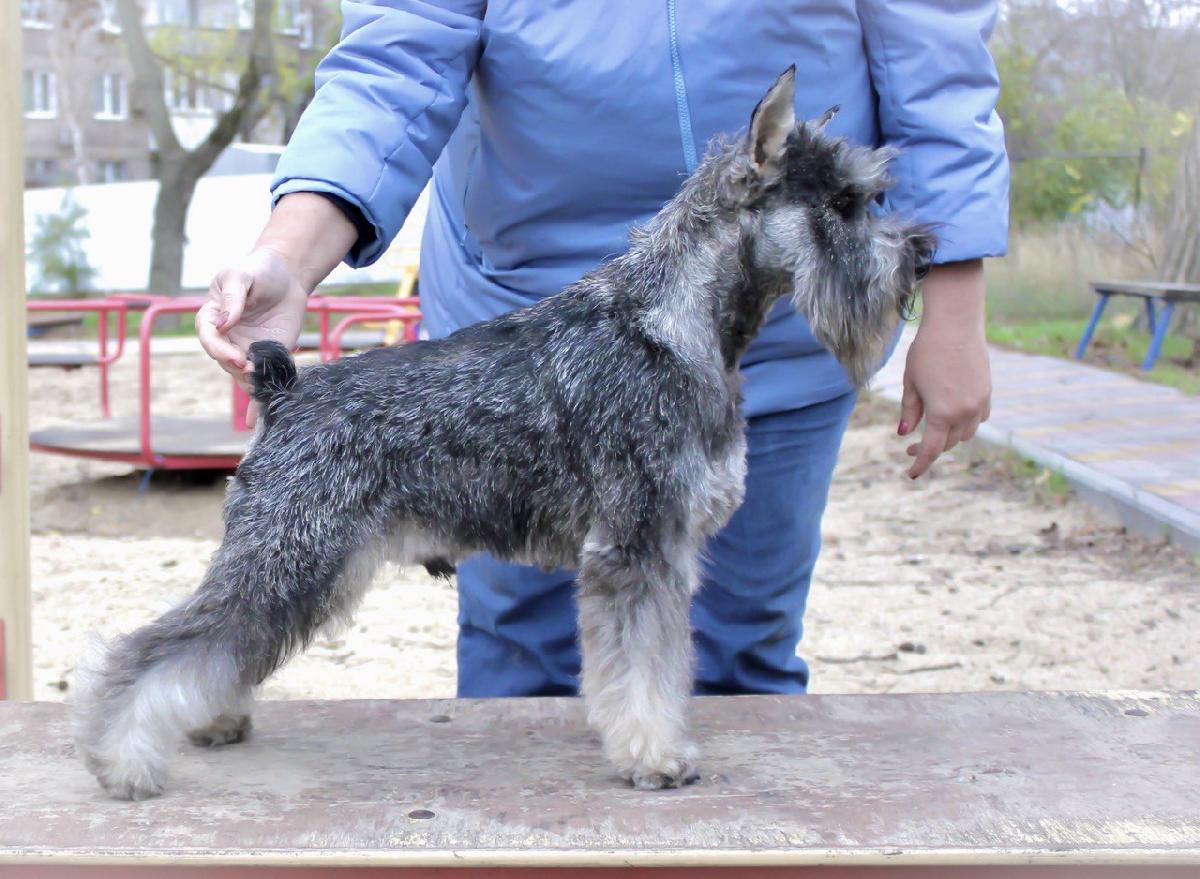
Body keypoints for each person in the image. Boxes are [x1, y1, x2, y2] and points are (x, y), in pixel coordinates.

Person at [197, 0, 1008, 698]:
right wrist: (290, 253)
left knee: (745, 649)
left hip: (779, 326)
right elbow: (399, 49)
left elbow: (935, 54)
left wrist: (956, 299)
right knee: (521, 659)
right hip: (514, 334)